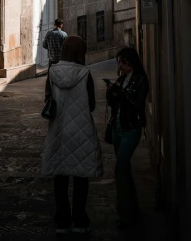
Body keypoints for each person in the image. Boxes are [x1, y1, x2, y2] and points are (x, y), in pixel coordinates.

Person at [41, 35, 103, 234]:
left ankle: (61, 220)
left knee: (60, 177)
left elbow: (47, 100)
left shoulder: (52, 72)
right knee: (80, 176)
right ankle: (79, 220)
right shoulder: (85, 74)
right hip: (81, 130)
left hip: (58, 129)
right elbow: (91, 105)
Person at [106, 47, 149, 230]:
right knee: (125, 171)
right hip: (117, 127)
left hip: (131, 128)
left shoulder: (141, 79)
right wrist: (111, 92)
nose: (120, 66)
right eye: (119, 62)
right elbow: (114, 102)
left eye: (123, 62)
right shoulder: (122, 78)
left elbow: (136, 103)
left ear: (131, 62)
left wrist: (120, 93)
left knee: (120, 168)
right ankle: (132, 209)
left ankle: (125, 214)